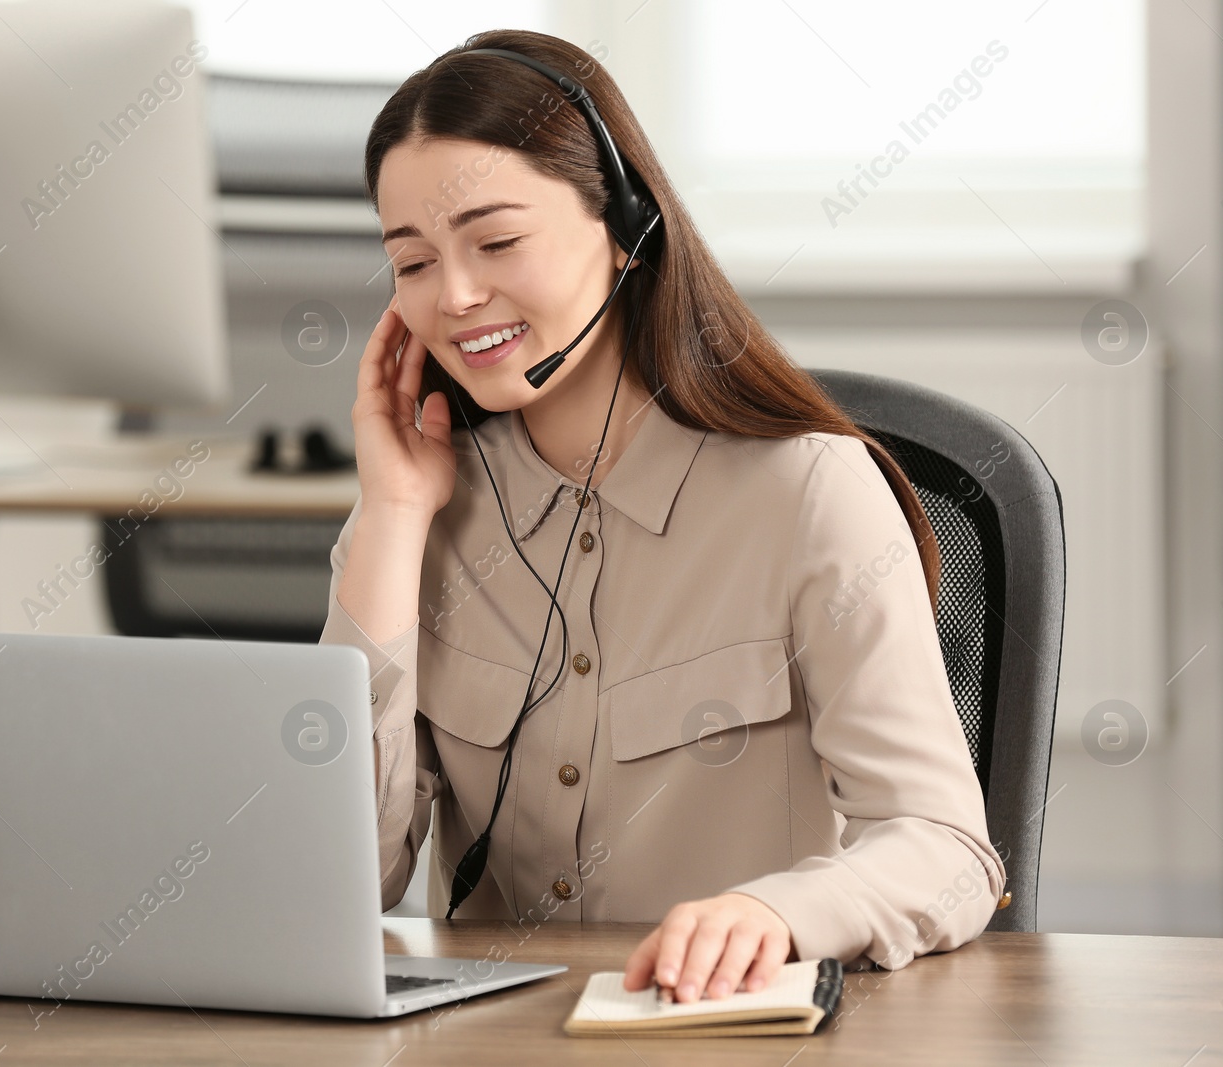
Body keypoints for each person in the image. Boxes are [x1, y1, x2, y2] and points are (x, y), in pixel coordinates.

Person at [319, 28, 1005, 1004]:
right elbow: (341, 880)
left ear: (628, 227)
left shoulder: (807, 491)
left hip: (726, 1036)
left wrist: (777, 913)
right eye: (414, 261)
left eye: (496, 241)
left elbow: (945, 849)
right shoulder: (417, 509)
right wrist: (391, 516)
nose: (457, 294)